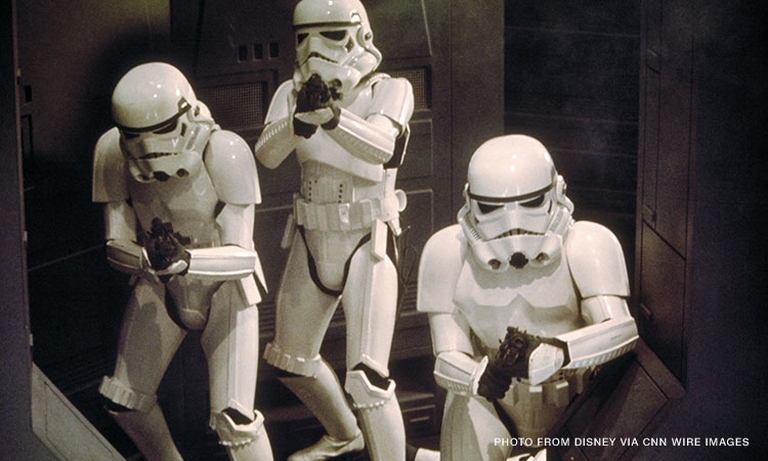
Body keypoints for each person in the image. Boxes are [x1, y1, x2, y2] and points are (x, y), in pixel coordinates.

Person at [253, 1, 438, 460]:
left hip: (367, 239)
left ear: (360, 35)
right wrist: (298, 120)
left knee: (367, 378)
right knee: (290, 360)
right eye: (304, 37)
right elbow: (267, 155)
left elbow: (381, 148)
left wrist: (332, 118)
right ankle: (344, 434)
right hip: (311, 238)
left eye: (330, 34)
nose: (314, 48)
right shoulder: (290, 93)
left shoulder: (389, 89)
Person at [417, 135, 639, 461]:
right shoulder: (448, 252)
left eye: (531, 203)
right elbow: (447, 356)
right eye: (492, 208)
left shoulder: (586, 243)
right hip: (493, 403)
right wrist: (479, 376)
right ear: (470, 202)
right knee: (463, 411)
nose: (512, 224)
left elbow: (620, 329)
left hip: (574, 402)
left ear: (556, 192)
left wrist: (558, 351)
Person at [92, 62, 273, 460]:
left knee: (235, 421)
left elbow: (243, 255)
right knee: (123, 401)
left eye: (159, 132)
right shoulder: (111, 150)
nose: (147, 149)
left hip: (225, 289)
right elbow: (114, 242)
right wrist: (147, 260)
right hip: (160, 284)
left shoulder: (224, 151)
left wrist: (187, 260)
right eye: (134, 136)